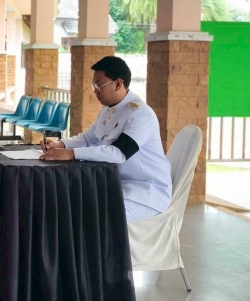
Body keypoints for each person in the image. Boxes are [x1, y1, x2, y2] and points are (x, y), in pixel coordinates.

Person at [40, 56, 172, 224]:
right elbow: (88, 138)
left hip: (146, 192)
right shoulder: (107, 110)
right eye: (93, 86)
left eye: (99, 85)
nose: (95, 91)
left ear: (118, 84)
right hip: (117, 184)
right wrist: (60, 144)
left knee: (97, 218)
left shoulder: (140, 114)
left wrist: (71, 153)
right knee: (72, 202)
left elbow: (118, 153)